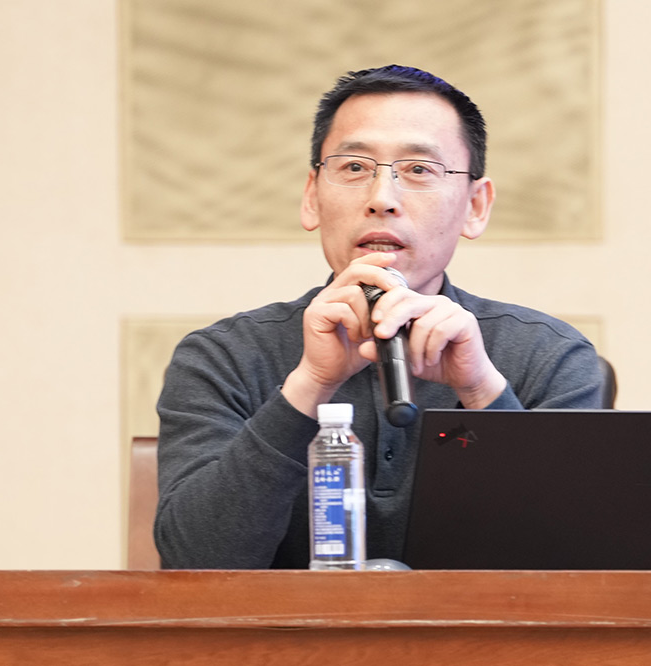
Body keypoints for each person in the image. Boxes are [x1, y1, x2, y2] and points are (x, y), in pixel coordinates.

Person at [155, 65, 604, 569]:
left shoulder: (550, 357)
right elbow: (194, 563)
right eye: (354, 167)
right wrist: (309, 385)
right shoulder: (222, 357)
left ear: (475, 206)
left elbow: (579, 568)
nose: (382, 200)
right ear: (312, 197)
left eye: (419, 170)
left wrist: (481, 391)